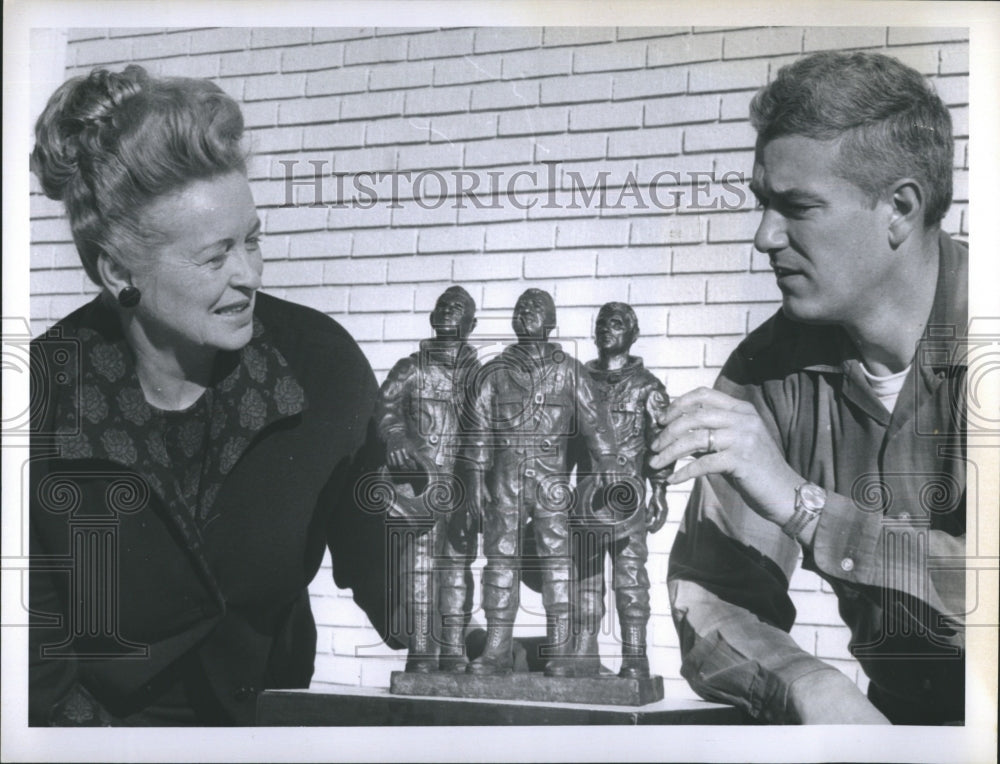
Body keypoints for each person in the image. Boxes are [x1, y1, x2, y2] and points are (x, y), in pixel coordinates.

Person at [28, 65, 396, 726]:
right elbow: (26, 657)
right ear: (119, 272)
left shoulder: (321, 365)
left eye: (251, 241)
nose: (248, 275)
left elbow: (394, 576)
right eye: (214, 256)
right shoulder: (37, 396)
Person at [650, 50, 966, 724]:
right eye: (765, 204)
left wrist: (808, 508)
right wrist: (805, 683)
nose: (765, 237)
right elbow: (713, 591)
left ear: (900, 209)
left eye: (798, 208)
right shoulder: (765, 370)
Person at [466, 288, 620, 677]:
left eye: (536, 309)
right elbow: (479, 430)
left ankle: (562, 649)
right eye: (521, 308)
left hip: (551, 484)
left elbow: (595, 424)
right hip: (505, 483)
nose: (526, 313)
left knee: (557, 567)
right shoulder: (495, 372)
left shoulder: (569, 370)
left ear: (551, 323)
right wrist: (475, 478)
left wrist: (608, 467)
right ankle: (497, 648)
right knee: (499, 564)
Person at [375, 286, 482, 673]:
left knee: (457, 568)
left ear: (473, 324)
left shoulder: (481, 377)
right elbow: (386, 409)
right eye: (443, 306)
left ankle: (454, 649)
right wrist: (397, 438)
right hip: (421, 487)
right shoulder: (411, 368)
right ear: (432, 318)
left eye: (459, 308)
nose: (448, 311)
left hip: (463, 484)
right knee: (418, 569)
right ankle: (421, 650)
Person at [570, 302, 671, 679]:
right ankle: (583, 650)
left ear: (633, 334)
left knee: (630, 579)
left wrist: (659, 491)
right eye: (600, 323)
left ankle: (634, 654)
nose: (605, 330)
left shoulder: (648, 388)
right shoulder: (577, 381)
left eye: (615, 324)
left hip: (627, 502)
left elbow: (659, 442)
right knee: (584, 578)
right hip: (584, 499)